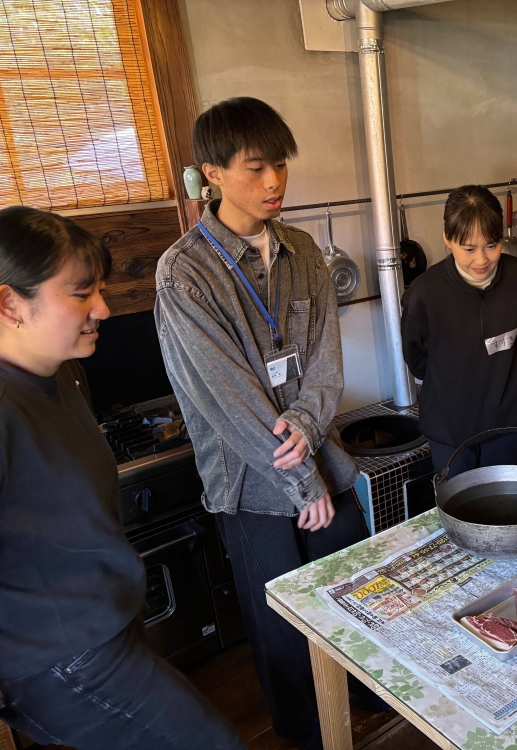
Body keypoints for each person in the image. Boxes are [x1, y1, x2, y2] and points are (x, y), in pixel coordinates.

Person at [155, 97, 370, 750]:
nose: (275, 181)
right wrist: (299, 483)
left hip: (321, 459)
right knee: (281, 626)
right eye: (256, 168)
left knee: (353, 594)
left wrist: (309, 423)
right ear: (213, 173)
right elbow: (230, 400)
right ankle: (309, 739)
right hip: (253, 484)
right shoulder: (184, 275)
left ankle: (373, 710)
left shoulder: (302, 250)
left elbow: (327, 361)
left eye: (280, 164)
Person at [0, 207, 244, 750]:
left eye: (101, 291)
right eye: (81, 294)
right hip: (60, 659)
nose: (103, 309)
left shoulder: (66, 374)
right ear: (9, 302)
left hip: (106, 622)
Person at [401, 185, 517, 475]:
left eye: (492, 245)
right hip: (450, 430)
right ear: (448, 240)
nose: (482, 259)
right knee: (459, 512)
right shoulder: (425, 293)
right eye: (469, 249)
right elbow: (417, 359)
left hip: (507, 424)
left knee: (507, 507)